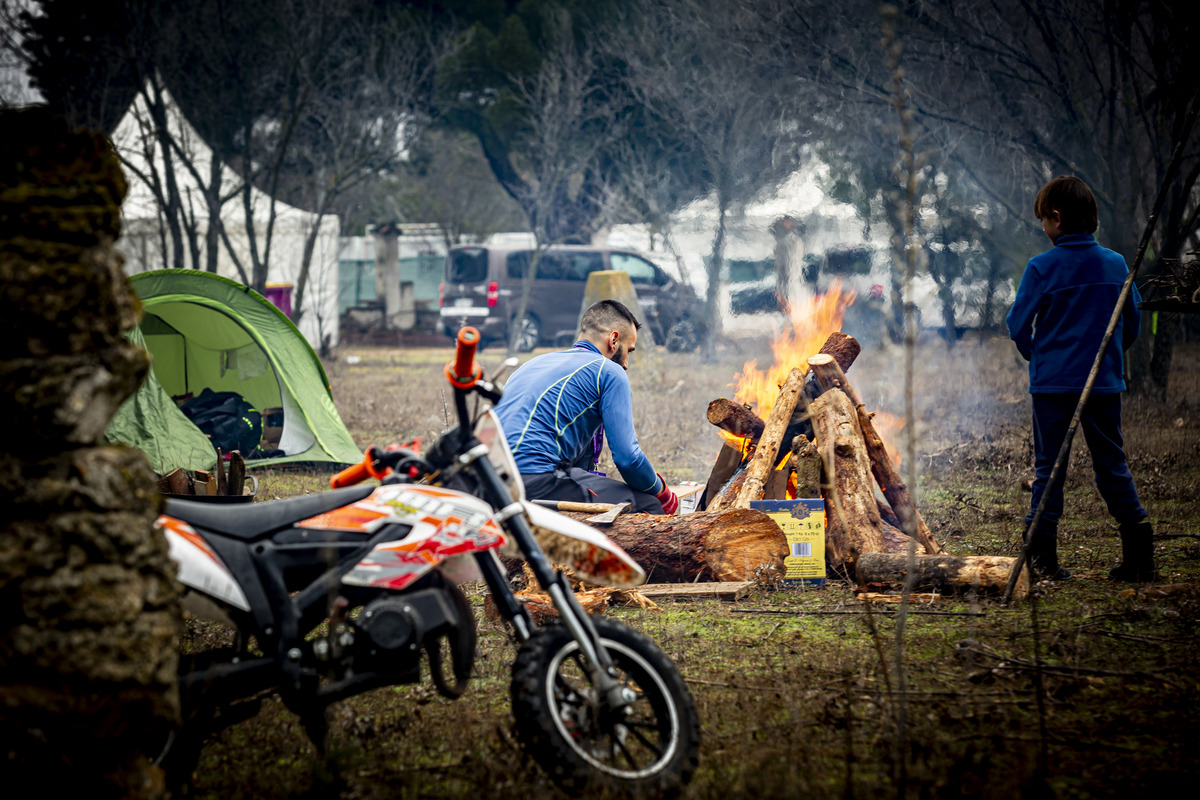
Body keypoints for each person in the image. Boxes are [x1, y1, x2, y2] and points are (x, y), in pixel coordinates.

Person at [1006, 175, 1155, 581]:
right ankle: (1140, 559)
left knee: (1048, 469)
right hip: (1103, 385)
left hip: (1053, 388)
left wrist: (1036, 355)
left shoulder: (1041, 267)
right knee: (1112, 465)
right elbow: (1131, 324)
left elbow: (1017, 325)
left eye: (1043, 219)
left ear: (1055, 218)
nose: (1042, 227)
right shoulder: (1116, 264)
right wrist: (1108, 358)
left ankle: (1042, 561)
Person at [494, 299, 679, 514]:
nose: (626, 364)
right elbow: (628, 459)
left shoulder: (533, 364)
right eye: (629, 350)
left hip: (489, 479)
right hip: (533, 481)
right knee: (649, 505)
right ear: (613, 340)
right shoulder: (608, 371)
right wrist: (661, 492)